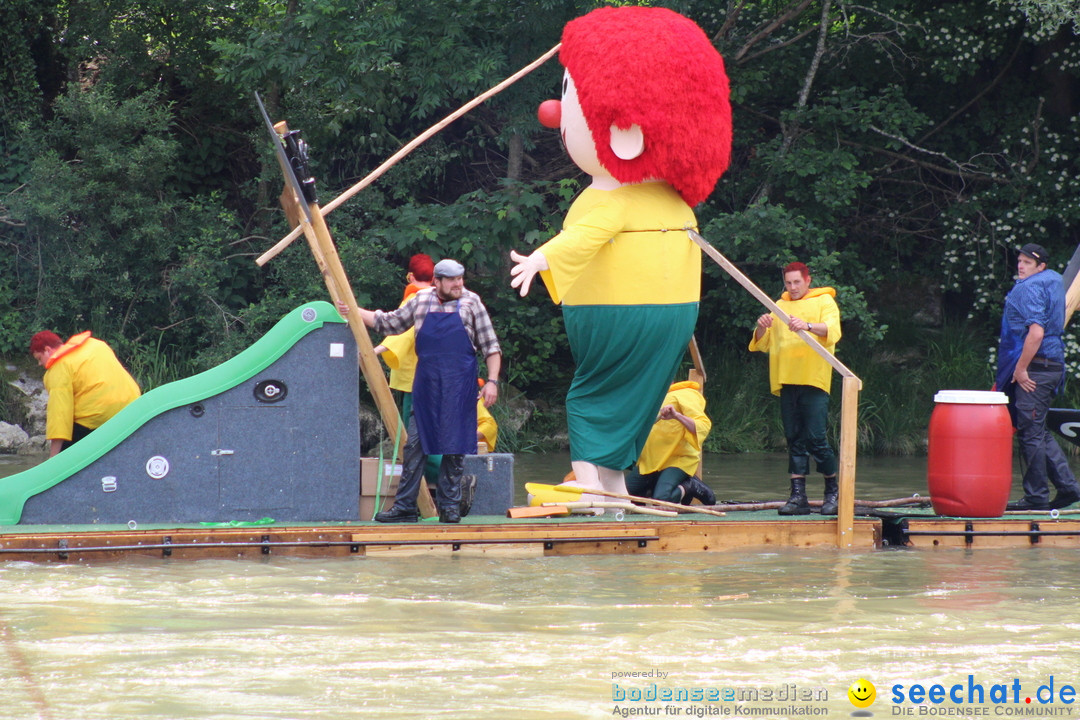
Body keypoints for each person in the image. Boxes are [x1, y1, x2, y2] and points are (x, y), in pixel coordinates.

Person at [508, 6, 732, 501]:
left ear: (624, 135)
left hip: (615, 313)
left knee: (588, 398)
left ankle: (589, 488)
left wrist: (540, 258)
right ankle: (613, 489)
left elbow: (588, 234)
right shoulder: (674, 203)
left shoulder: (614, 196)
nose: (554, 111)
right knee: (634, 400)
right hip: (673, 314)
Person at [354, 259, 502, 523]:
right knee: (414, 446)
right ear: (438, 281)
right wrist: (353, 310)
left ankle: (450, 508)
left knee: (454, 447)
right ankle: (405, 508)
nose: (459, 284)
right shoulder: (421, 300)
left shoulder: (472, 302)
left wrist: (492, 381)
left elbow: (491, 346)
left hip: (460, 384)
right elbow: (389, 323)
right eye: (453, 280)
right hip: (427, 384)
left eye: (461, 278)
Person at [749, 262, 841, 515]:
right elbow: (762, 344)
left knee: (816, 438)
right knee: (794, 439)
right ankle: (798, 496)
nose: (793, 287)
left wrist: (807, 325)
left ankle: (832, 492)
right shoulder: (779, 305)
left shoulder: (824, 301)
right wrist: (762, 326)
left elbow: (833, 331)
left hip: (813, 379)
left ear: (808, 280)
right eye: (788, 283)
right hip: (786, 380)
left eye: (797, 282)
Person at [996, 243, 1080, 511]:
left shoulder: (1030, 287)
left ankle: (1036, 497)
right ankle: (1068, 488)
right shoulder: (1053, 281)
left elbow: (1036, 334)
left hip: (1037, 368)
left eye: (1027, 263)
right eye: (1019, 261)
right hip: (1053, 364)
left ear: (1041, 266)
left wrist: (1020, 370)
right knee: (1038, 430)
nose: (1021, 266)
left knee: (1030, 434)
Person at [29, 330, 141, 458]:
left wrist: (53, 459)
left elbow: (60, 415)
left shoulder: (59, 368)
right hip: (133, 406)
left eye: (39, 358)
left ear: (47, 350)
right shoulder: (95, 344)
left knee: (66, 453)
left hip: (100, 415)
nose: (39, 364)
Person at [625, 381, 715, 506]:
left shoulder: (685, 393)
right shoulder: (649, 397)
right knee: (624, 495)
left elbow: (703, 425)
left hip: (677, 460)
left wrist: (676, 415)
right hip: (650, 461)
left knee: (662, 501)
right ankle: (654, 489)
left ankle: (690, 485)